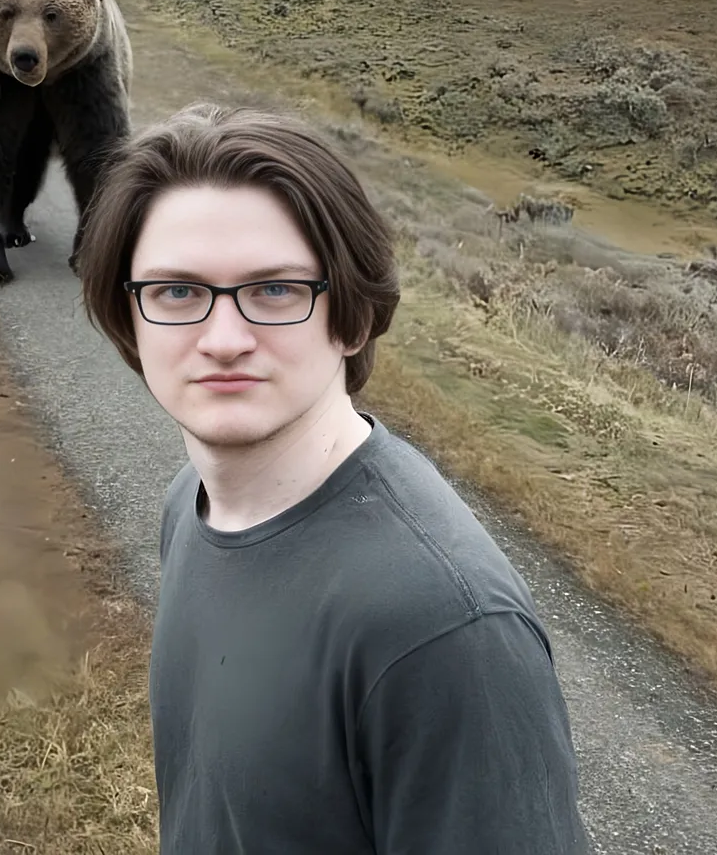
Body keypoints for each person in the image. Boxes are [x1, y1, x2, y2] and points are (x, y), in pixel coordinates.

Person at [77, 102, 591, 854]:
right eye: (178, 292)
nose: (222, 340)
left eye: (275, 291)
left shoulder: (442, 626)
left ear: (350, 318)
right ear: (131, 319)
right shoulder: (189, 511)